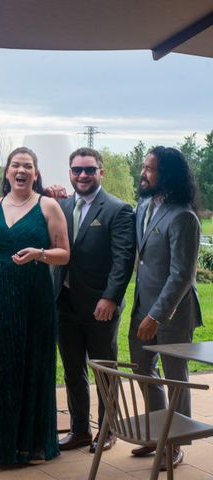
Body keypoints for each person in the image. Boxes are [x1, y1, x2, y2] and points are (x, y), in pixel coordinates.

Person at [0, 146, 70, 465]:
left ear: (36, 173)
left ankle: (28, 442)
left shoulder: (48, 207)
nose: (21, 171)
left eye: (28, 166)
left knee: (27, 362)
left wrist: (39, 254)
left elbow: (64, 253)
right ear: (6, 172)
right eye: (15, 165)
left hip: (31, 296)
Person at [54, 147, 135, 454]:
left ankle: (109, 429)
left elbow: (123, 259)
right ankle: (79, 430)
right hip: (64, 303)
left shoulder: (118, 209)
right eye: (77, 170)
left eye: (89, 170)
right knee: (73, 370)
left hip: (101, 307)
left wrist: (111, 298)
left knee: (104, 371)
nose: (83, 175)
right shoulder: (60, 206)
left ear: (101, 172)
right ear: (70, 173)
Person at [128, 146, 202, 471]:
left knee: (175, 380)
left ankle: (174, 446)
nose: (143, 173)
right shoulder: (145, 205)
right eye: (143, 167)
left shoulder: (183, 216)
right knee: (143, 370)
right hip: (141, 307)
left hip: (171, 313)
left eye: (150, 169)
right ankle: (158, 433)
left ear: (167, 175)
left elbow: (182, 275)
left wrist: (156, 315)